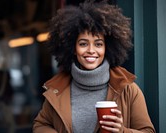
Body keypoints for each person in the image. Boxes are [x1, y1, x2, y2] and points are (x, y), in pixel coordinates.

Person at [33, 0, 156, 133]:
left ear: (107, 48)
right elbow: (40, 125)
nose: (91, 50)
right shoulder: (58, 89)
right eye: (83, 44)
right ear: (73, 48)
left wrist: (122, 131)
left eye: (98, 44)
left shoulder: (128, 89)